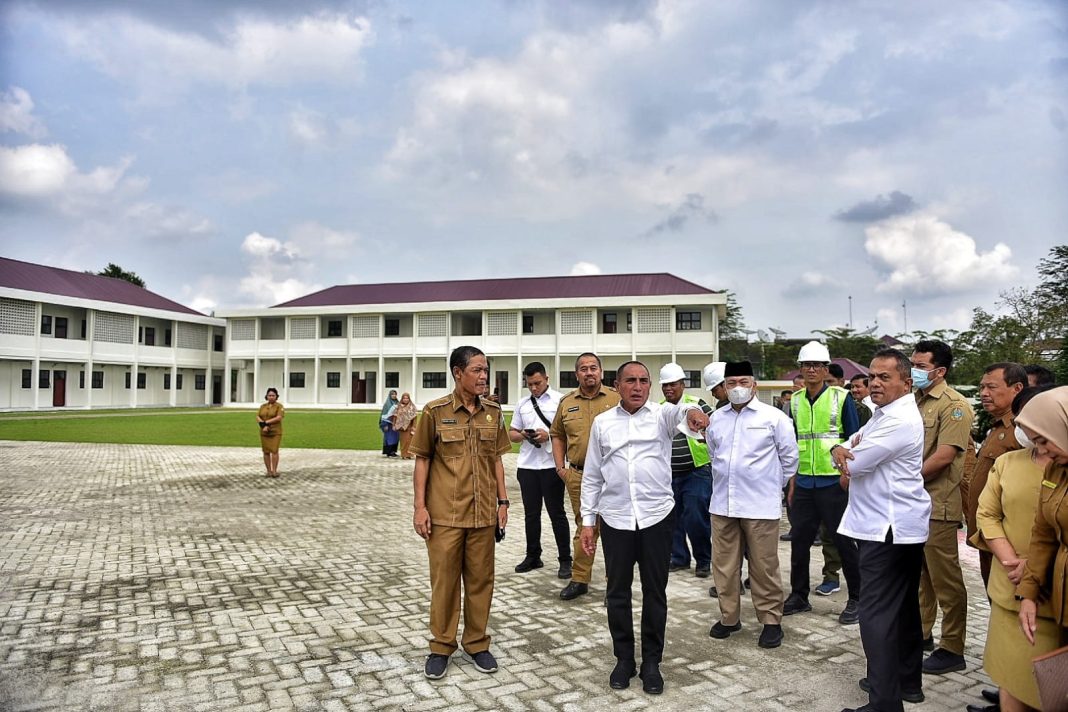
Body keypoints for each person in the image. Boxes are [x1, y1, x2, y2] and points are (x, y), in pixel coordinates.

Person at [579, 361, 710, 695]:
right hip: (615, 518)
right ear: (617, 385)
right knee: (617, 593)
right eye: (630, 381)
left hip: (656, 518)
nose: (637, 387)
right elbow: (593, 474)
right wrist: (588, 522)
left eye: (643, 381)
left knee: (655, 592)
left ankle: (652, 662)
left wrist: (693, 416)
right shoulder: (602, 423)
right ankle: (624, 660)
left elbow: (683, 413)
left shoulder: (661, 415)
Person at [835, 348, 931, 712]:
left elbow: (854, 462)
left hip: (885, 529)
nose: (875, 383)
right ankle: (907, 682)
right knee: (904, 609)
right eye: (872, 376)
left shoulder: (898, 420)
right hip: (896, 526)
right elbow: (848, 444)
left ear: (906, 382)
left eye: (884, 377)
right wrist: (840, 449)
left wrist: (846, 459)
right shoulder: (883, 414)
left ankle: (884, 701)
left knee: (876, 615)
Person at [410, 346, 512, 680]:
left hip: (483, 515)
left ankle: (477, 643)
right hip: (445, 516)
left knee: (482, 582)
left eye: (486, 370)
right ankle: (441, 646)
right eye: (477, 370)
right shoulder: (435, 411)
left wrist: (503, 502)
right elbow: (422, 459)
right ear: (458, 372)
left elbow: (497, 458)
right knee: (445, 584)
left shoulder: (493, 413)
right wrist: (419, 508)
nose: (484, 377)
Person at [971, 385, 1058, 712]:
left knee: (1050, 687)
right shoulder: (1009, 463)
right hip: (1010, 590)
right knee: (1011, 680)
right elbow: (986, 514)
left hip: (1056, 595)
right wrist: (1012, 564)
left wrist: (1036, 569)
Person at [705, 360, 798, 650]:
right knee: (723, 566)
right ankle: (729, 617)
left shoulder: (774, 418)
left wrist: (769, 486)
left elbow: (789, 459)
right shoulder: (717, 420)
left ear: (754, 384)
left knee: (764, 566)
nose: (737, 388)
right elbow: (713, 454)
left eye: (743, 382)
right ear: (723, 387)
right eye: (731, 383)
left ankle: (771, 621)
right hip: (723, 504)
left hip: (759, 505)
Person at [784, 341, 862, 625]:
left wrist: (846, 475)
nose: (812, 369)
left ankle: (857, 597)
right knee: (799, 541)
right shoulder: (794, 400)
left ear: (826, 368)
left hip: (833, 481)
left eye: (817, 365)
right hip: (804, 481)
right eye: (807, 365)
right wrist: (792, 480)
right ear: (801, 369)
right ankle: (799, 595)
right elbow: (791, 443)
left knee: (843, 541)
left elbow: (854, 438)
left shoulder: (841, 398)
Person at [910, 339, 973, 675]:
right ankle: (921, 634)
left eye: (920, 366)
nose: (914, 371)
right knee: (922, 577)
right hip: (914, 504)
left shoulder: (954, 405)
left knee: (946, 580)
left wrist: (906, 480)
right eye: (913, 364)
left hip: (938, 505)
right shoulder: (914, 401)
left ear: (940, 370)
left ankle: (953, 647)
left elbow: (945, 455)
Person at [550, 353, 621, 600]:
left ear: (601, 371)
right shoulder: (566, 402)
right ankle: (580, 579)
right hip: (579, 476)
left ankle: (616, 580)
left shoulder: (616, 398)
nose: (589, 372)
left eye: (593, 368)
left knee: (615, 527)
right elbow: (556, 434)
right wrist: (561, 468)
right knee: (585, 526)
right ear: (576, 374)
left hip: (613, 476)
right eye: (583, 369)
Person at [1016, 387, 1068, 703]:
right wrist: (1029, 593)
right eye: (1037, 444)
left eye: (1044, 440)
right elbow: (1043, 535)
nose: (1044, 452)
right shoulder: (1056, 469)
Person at [508, 361, 571, 578]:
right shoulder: (523, 404)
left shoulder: (560, 400)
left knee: (557, 514)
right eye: (529, 384)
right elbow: (511, 433)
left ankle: (565, 560)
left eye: (537, 383)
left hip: (551, 465)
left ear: (546, 378)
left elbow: (567, 432)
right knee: (531, 514)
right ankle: (533, 555)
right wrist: (525, 435)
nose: (534, 388)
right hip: (527, 466)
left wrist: (548, 435)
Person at [966, 363, 1026, 588]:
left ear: (1017, 388)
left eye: (991, 387)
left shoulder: (1022, 430)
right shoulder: (998, 427)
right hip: (986, 537)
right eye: (982, 387)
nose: (983, 393)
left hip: (1007, 540)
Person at [659, 362, 715, 578]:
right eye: (665, 385)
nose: (668, 389)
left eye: (673, 384)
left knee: (695, 515)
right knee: (672, 518)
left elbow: (715, 428)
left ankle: (703, 560)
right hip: (670, 474)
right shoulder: (661, 408)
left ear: (683, 384)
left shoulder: (698, 404)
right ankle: (679, 557)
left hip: (697, 471)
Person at [257, 387, 285, 477]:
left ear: (276, 396)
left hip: (275, 432)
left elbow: (279, 418)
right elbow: (258, 416)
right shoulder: (263, 406)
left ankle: (274, 471)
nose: (271, 397)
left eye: (273, 395)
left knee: (274, 451)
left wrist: (266, 423)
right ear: (266, 396)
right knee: (266, 451)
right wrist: (263, 425)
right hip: (264, 432)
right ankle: (268, 471)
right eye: (269, 395)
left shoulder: (279, 406)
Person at [393, 392, 419, 460]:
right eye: (404, 398)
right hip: (402, 427)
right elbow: (395, 416)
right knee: (403, 442)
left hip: (410, 427)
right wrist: (394, 425)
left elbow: (415, 418)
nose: (405, 399)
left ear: (409, 399)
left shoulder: (412, 407)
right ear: (402, 399)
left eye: (407, 398)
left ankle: (409, 455)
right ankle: (404, 455)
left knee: (409, 442)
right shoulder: (398, 406)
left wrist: (414, 427)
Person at [380, 389, 400, 457]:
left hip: (395, 424)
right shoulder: (387, 404)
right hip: (388, 424)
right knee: (389, 438)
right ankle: (388, 452)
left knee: (395, 438)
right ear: (390, 395)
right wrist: (384, 424)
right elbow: (384, 415)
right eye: (392, 394)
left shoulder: (398, 403)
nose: (394, 395)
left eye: (395, 394)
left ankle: (393, 451)